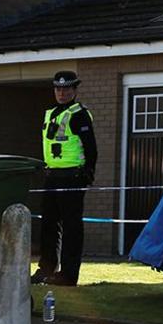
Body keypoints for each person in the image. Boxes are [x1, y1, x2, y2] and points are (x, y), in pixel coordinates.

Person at [33, 70, 97, 287]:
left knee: (71, 226)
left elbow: (91, 147)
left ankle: (69, 274)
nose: (62, 92)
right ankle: (46, 268)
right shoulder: (50, 113)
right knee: (48, 224)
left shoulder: (79, 114)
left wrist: (89, 171)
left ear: (74, 90)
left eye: (67, 88)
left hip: (72, 176)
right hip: (52, 175)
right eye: (58, 88)